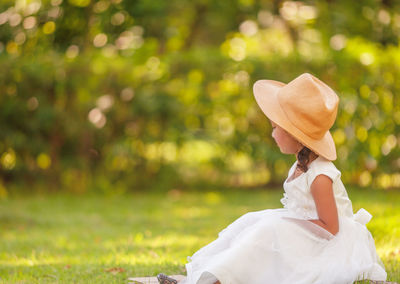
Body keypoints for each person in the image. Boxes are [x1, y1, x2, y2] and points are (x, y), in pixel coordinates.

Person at [157, 73, 387, 284]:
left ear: (296, 135)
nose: (272, 133)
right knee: (252, 223)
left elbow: (331, 228)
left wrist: (286, 226)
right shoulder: (301, 162)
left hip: (327, 242)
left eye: (276, 127)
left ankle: (216, 281)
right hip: (308, 230)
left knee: (269, 229)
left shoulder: (320, 176)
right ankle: (207, 276)